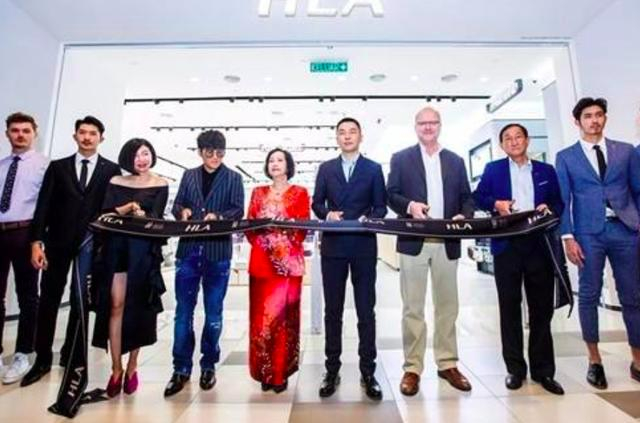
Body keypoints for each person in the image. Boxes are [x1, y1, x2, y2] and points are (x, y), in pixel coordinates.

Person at [21, 116, 120, 387]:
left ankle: (72, 354)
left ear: (101, 138)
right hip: (57, 244)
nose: (87, 137)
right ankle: (42, 358)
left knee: (81, 302)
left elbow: (112, 210)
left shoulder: (112, 170)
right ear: (75, 136)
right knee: (49, 299)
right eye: (82, 132)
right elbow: (43, 206)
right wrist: (36, 242)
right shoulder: (58, 167)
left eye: (92, 133)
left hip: (91, 246)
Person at [387, 106, 474, 396]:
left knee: (448, 306)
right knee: (412, 307)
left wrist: (463, 216)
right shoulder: (401, 158)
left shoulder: (455, 161)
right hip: (414, 240)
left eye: (433, 122)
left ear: (440, 125)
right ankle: (412, 368)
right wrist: (409, 206)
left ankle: (447, 363)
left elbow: (467, 198)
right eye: (422, 123)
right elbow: (391, 195)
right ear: (415, 127)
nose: (428, 127)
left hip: (447, 241)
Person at [473, 123, 565, 395]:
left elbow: (559, 203)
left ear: (527, 140)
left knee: (541, 310)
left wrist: (549, 209)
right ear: (502, 145)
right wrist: (496, 204)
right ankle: (515, 369)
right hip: (507, 246)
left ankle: (543, 371)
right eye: (508, 138)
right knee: (509, 308)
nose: (513, 142)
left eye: (518, 137)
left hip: (539, 245)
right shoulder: (493, 170)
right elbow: (478, 197)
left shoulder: (546, 170)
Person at [556, 97, 640, 389]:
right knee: (589, 295)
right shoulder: (566, 157)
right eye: (588, 116)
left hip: (625, 230)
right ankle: (594, 361)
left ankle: (637, 359)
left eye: (599, 115)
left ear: (605, 118)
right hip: (588, 234)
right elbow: (563, 200)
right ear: (577, 121)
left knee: (633, 296)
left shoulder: (626, 151)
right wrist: (568, 237)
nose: (595, 120)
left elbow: (637, 189)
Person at [164, 130, 244, 397]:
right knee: (183, 313)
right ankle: (180, 368)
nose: (215, 157)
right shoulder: (188, 176)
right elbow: (177, 205)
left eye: (220, 153)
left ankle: (208, 365)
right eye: (210, 153)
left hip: (217, 252)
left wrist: (218, 216)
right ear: (200, 152)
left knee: (214, 313)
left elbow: (238, 210)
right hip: (188, 251)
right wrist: (182, 211)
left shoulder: (233, 178)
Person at [311, 117, 387, 400]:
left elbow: (381, 206)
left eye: (352, 131)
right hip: (333, 247)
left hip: (364, 246)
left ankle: (368, 372)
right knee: (333, 311)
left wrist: (371, 218)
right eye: (342, 132)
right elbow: (316, 203)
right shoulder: (326, 169)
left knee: (366, 311)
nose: (347, 136)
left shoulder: (373, 169)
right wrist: (327, 214)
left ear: (360, 136)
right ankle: (332, 370)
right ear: (337, 138)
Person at [91, 138, 168, 396]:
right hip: (116, 250)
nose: (141, 159)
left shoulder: (160, 183)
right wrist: (125, 208)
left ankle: (133, 366)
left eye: (145, 153)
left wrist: (144, 217)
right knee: (116, 305)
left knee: (138, 307)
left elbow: (158, 220)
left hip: (143, 253)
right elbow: (104, 216)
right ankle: (116, 368)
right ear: (127, 158)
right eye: (136, 155)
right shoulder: (116, 181)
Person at [246, 148, 309, 393]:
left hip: (289, 266)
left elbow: (302, 228)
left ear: (288, 165)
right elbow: (250, 226)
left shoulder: (300, 192)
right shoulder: (258, 192)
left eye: (280, 160)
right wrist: (269, 243)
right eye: (271, 160)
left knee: (284, 320)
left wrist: (280, 240)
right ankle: (264, 371)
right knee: (261, 321)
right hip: (262, 263)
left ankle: (280, 373)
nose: (275, 164)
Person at [0, 113, 49, 384]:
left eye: (26, 130)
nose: (20, 135)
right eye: (15, 130)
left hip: (26, 232)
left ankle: (23, 353)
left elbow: (46, 207)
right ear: (7, 133)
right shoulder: (1, 166)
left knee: (28, 296)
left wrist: (38, 241)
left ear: (34, 133)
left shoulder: (44, 166)